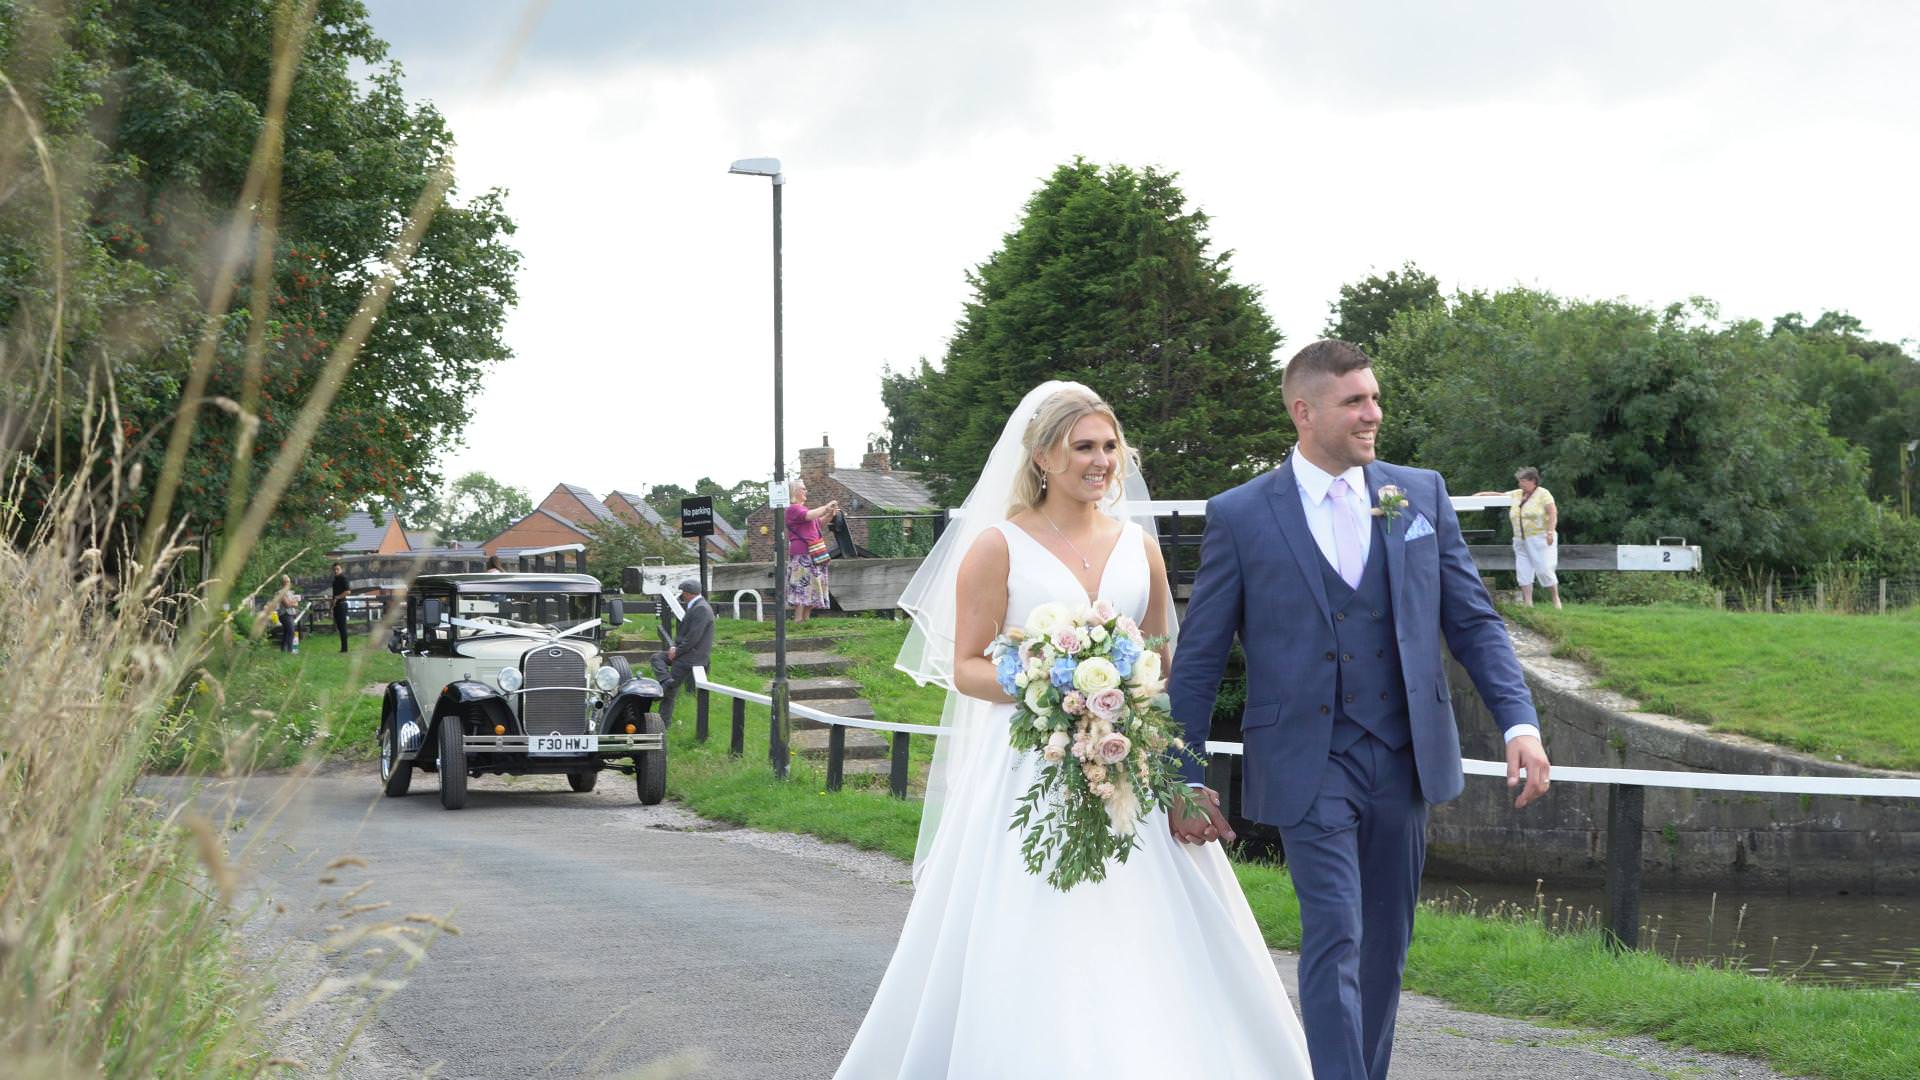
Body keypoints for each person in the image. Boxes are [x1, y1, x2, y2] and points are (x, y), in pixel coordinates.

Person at [834, 383, 1314, 1078]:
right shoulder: (997, 546)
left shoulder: (1139, 548)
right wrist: (1048, 686)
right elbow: (967, 667)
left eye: (1110, 446)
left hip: (1129, 762)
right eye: (1083, 447)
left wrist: (1166, 756)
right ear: (1041, 457)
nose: (1101, 461)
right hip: (1031, 763)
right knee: (1040, 924)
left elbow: (1162, 664)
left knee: (1155, 924)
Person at [1168, 340, 1551, 1080]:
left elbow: (1472, 621)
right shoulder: (1242, 514)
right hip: (1309, 763)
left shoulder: (1419, 494)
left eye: (1374, 397)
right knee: (1336, 932)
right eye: (1355, 401)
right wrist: (1182, 774)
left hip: (1405, 757)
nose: (1373, 413)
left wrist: (1521, 723)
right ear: (1304, 411)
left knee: (1384, 943)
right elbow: (1202, 657)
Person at [1477, 467, 1561, 608]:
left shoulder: (1543, 494)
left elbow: (1553, 512)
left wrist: (1550, 532)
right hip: (1520, 539)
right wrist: (1483, 494)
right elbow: (1500, 495)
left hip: (1540, 537)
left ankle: (1555, 599)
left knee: (1544, 569)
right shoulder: (1517, 494)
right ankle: (1528, 603)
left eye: (1523, 481)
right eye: (1519, 481)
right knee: (1523, 570)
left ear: (1532, 481)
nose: (1520, 484)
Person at [651, 579, 713, 726]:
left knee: (670, 694)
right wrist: (674, 648)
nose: (682, 596)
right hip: (686, 652)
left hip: (691, 657)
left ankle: (662, 721)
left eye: (683, 593)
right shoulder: (698, 606)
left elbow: (694, 637)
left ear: (688, 593)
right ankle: (666, 681)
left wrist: (677, 652)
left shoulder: (701, 609)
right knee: (657, 658)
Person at [784, 480, 838, 622]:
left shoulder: (803, 509)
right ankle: (798, 619)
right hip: (802, 552)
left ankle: (806, 618)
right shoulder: (793, 509)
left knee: (814, 584)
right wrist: (826, 507)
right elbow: (809, 516)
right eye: (803, 489)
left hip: (813, 552)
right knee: (802, 584)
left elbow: (817, 523)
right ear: (794, 492)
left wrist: (830, 515)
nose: (806, 491)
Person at [272, 575, 299, 653]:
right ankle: (289, 650)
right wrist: (292, 603)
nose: (287, 583)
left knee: (287, 632)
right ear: (282, 583)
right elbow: (286, 604)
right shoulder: (280, 593)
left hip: (290, 614)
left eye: (288, 582)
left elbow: (296, 604)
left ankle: (284, 649)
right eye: (286, 582)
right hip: (284, 615)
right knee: (291, 631)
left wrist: (292, 603)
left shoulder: (290, 593)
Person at [330, 562, 352, 652]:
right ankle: (343, 648)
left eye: (337, 569)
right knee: (339, 627)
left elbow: (348, 591)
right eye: (334, 569)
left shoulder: (343, 578)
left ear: (341, 569)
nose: (336, 571)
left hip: (342, 604)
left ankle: (345, 648)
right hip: (337, 605)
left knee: (342, 627)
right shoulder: (335, 580)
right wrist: (332, 604)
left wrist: (337, 597)